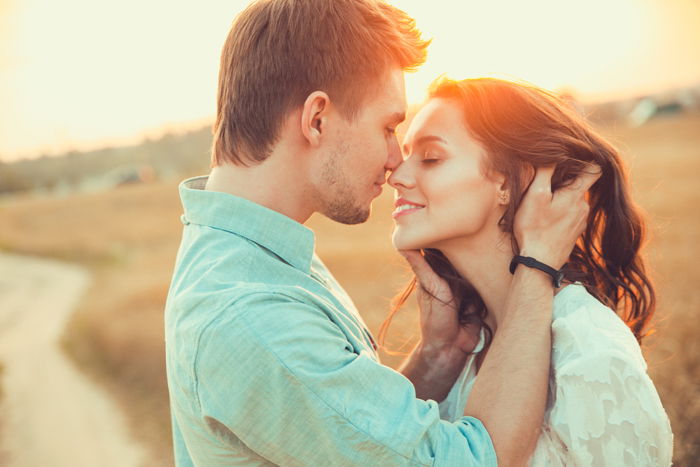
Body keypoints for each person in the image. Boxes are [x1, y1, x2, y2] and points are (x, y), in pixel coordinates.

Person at [164, 1, 595, 465]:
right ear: (317, 120)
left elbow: (339, 439)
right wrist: (537, 266)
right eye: (389, 127)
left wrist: (436, 358)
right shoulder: (251, 313)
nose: (395, 161)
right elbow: (472, 460)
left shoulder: (251, 255)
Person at [384, 77, 674, 466]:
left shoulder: (588, 350)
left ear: (509, 180)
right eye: (405, 155)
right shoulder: (467, 345)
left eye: (431, 157)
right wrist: (435, 356)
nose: (397, 176)